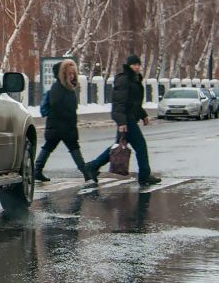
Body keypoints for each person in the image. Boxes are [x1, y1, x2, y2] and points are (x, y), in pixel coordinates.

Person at [84, 55, 162, 186]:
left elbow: (134, 102)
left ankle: (92, 167)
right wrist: (121, 122)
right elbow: (119, 103)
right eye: (134, 64)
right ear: (129, 65)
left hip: (129, 119)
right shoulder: (124, 79)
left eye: (138, 64)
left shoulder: (134, 79)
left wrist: (143, 114)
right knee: (140, 146)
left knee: (116, 148)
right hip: (127, 120)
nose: (136, 67)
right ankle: (144, 175)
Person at [34, 59, 89, 182]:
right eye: (69, 73)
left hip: (63, 126)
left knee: (51, 147)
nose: (72, 76)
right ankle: (86, 172)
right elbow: (56, 105)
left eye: (73, 73)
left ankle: (37, 170)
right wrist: (68, 117)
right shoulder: (58, 87)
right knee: (71, 148)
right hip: (60, 126)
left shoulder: (67, 88)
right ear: (63, 74)